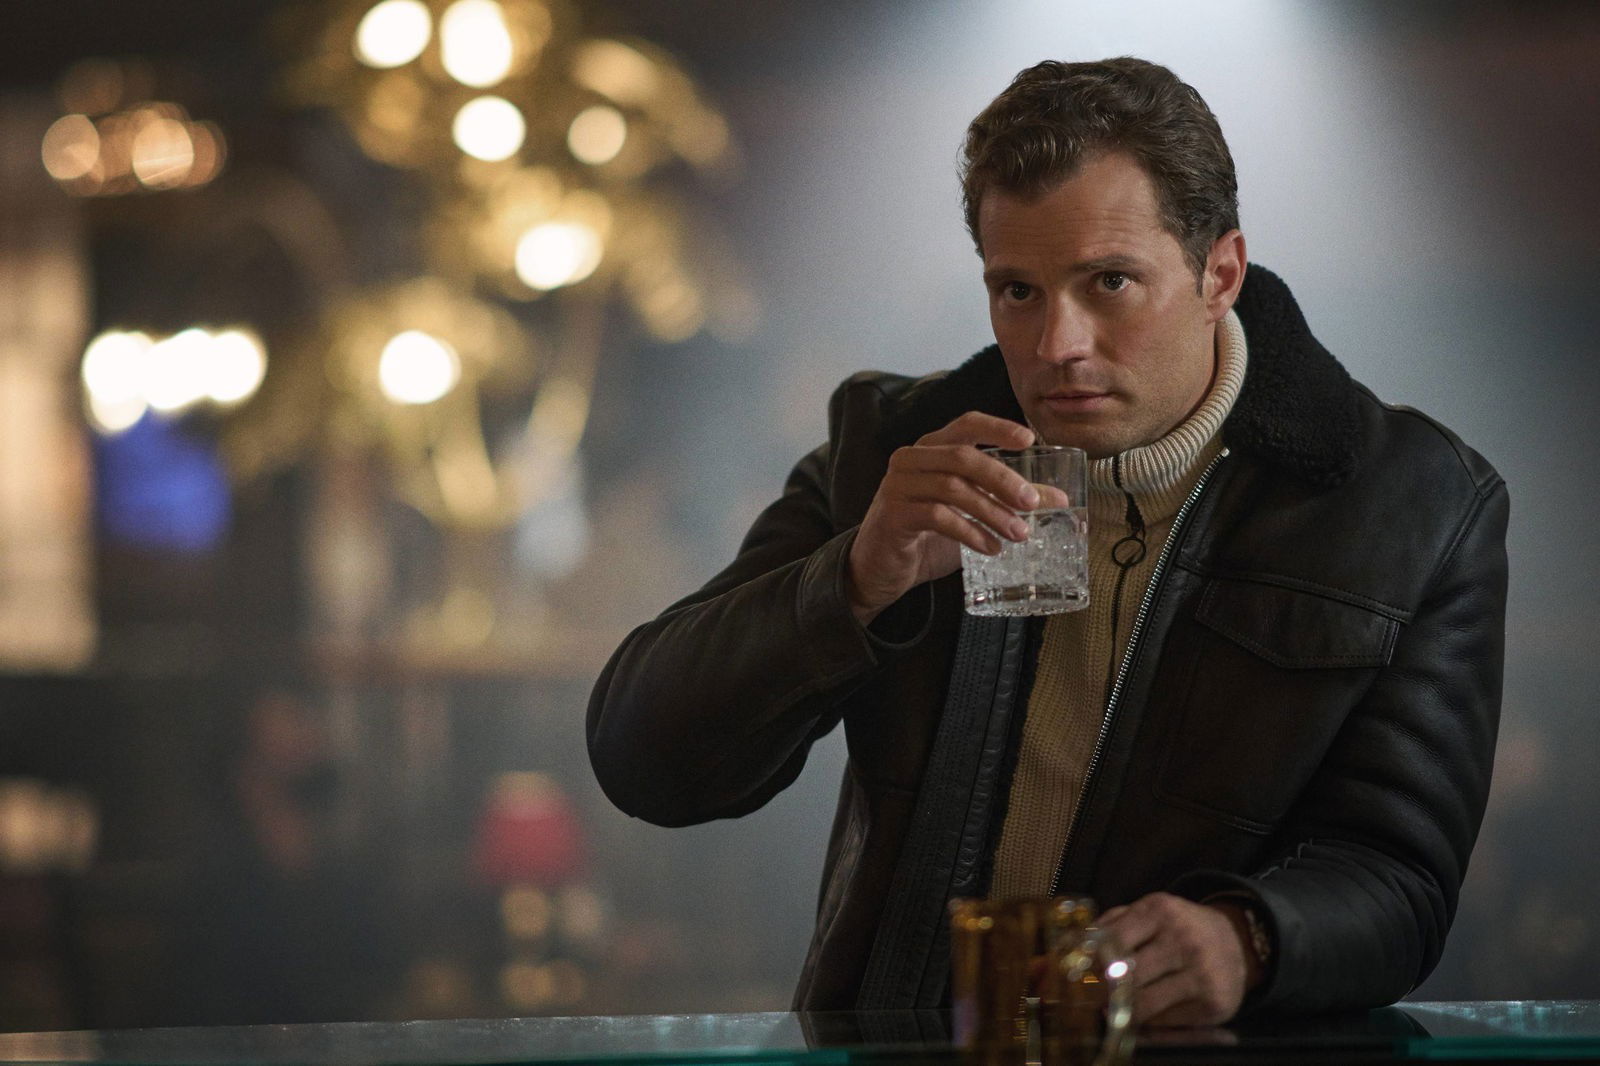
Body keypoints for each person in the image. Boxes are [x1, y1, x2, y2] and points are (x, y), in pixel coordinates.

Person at [587, 57, 1507, 1026]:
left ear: (1220, 275)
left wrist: (1249, 939)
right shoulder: (891, 452)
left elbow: (1403, 877)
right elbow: (643, 761)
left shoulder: (1413, 503)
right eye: (1017, 291)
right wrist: (853, 580)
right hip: (915, 1048)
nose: (1056, 344)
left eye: (1109, 281)